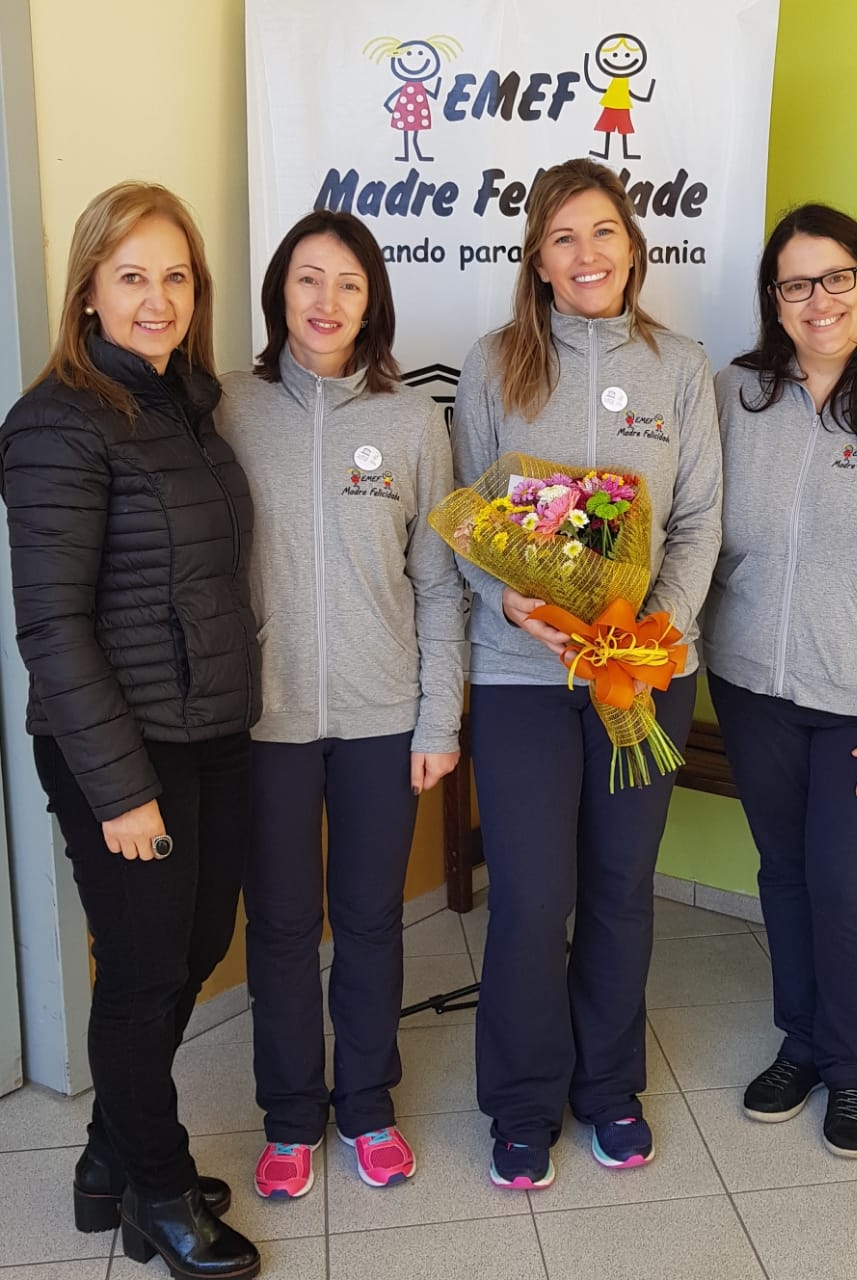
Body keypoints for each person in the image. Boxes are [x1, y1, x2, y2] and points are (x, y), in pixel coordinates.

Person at [0, 182, 262, 1277]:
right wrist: (120, 790)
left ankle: (108, 1158)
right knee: (151, 968)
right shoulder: (57, 420)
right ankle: (156, 1189)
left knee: (193, 949)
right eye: (132, 275)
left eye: (175, 276)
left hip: (206, 728)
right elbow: (52, 625)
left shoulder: (182, 404)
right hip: (118, 748)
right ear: (89, 294)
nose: (157, 297)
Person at [451, 157, 721, 1188]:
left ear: (631, 244)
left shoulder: (679, 364)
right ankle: (522, 1102)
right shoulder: (493, 362)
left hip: (642, 678)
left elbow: (698, 516)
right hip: (524, 681)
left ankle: (608, 1086)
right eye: (562, 236)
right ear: (537, 258)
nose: (586, 253)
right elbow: (475, 522)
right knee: (529, 893)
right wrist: (504, 598)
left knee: (618, 888)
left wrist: (654, 629)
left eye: (601, 230)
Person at [218, 209, 464, 1199]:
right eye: (309, 279)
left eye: (349, 284)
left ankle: (365, 1103)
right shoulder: (229, 407)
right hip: (263, 721)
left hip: (380, 718)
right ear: (280, 290)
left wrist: (437, 716)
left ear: (374, 304)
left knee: (368, 919)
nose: (327, 302)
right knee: (278, 924)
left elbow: (440, 580)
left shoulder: (411, 422)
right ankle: (288, 1115)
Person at [703, 204, 857, 1159]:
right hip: (752, 689)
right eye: (795, 284)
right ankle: (799, 1040)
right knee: (786, 876)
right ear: (774, 300)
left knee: (850, 889)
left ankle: (850, 1068)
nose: (817, 300)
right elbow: (692, 531)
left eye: (835, 276)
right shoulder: (735, 394)